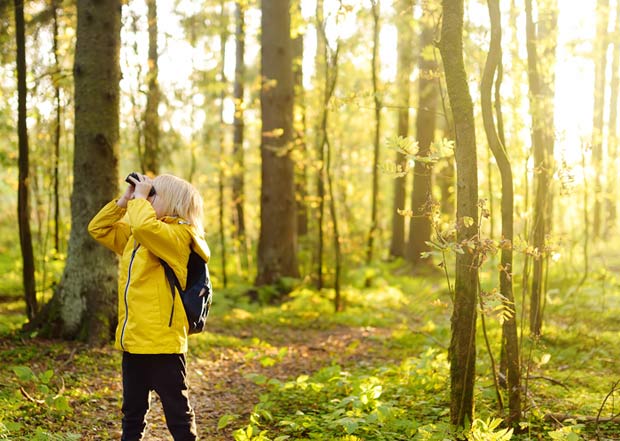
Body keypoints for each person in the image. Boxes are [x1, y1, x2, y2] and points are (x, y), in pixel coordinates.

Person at [88, 172, 210, 441]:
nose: (146, 196)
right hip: (134, 341)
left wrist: (141, 200)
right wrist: (123, 202)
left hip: (163, 343)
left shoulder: (179, 235)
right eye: (147, 193)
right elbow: (98, 229)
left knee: (177, 414)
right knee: (132, 412)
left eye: (154, 193)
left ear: (174, 203)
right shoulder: (140, 236)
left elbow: (145, 228)